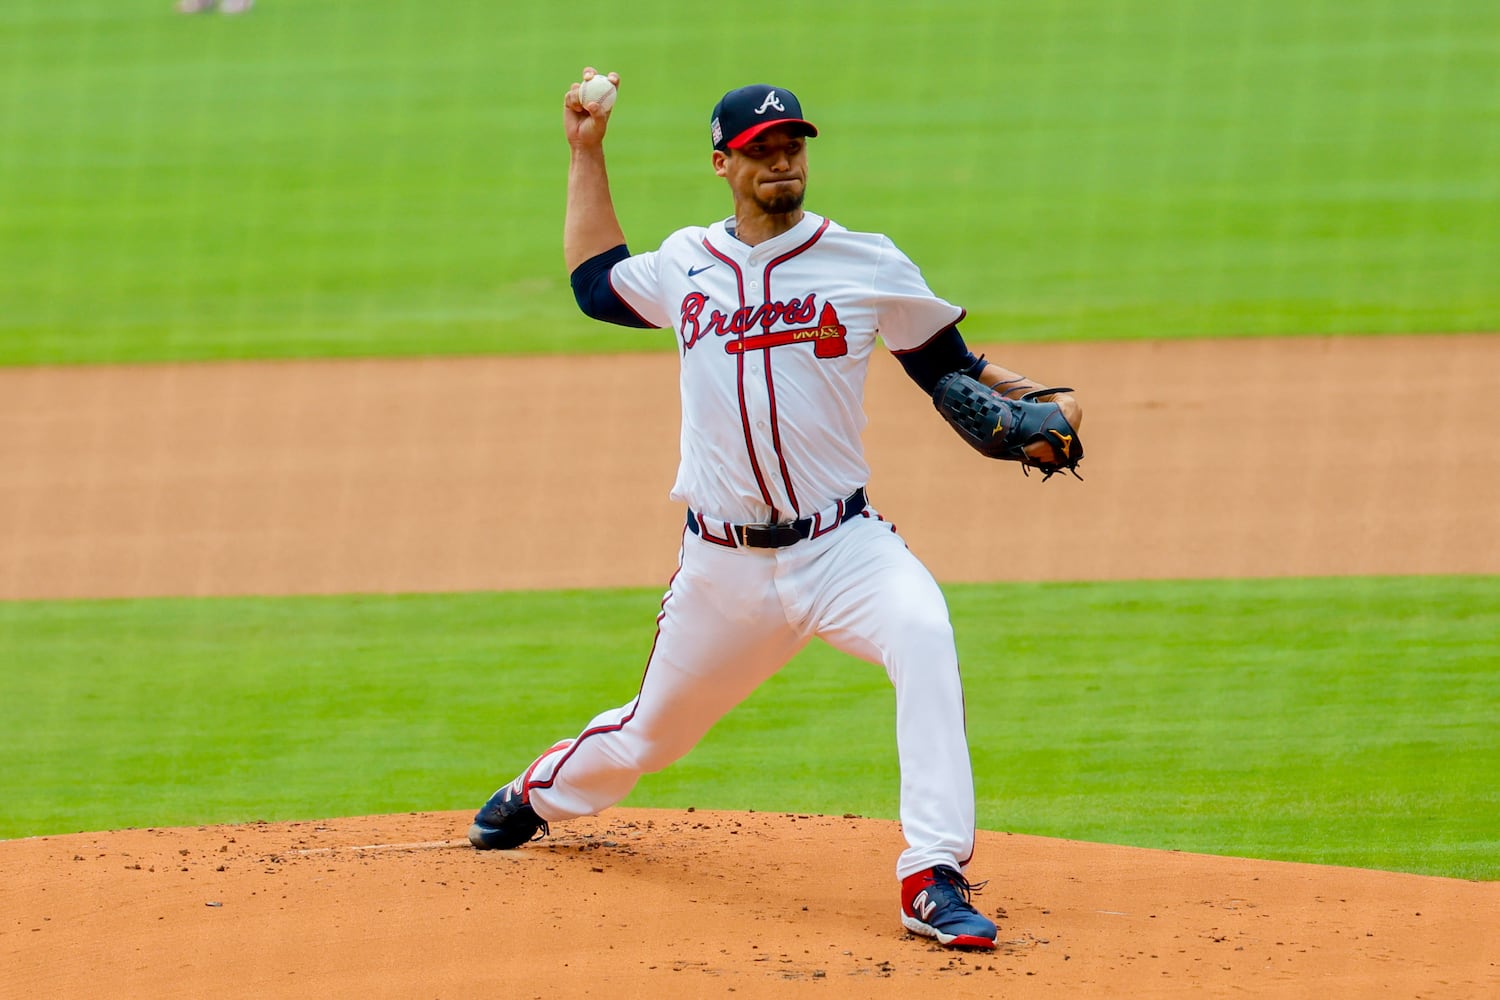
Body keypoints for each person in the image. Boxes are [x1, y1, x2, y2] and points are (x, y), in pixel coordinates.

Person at [467, 68, 1084, 951]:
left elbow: (947, 363)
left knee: (924, 630)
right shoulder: (686, 263)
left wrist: (1041, 408)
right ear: (724, 163)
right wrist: (585, 150)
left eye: (792, 144)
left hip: (844, 548)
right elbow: (596, 286)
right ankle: (542, 789)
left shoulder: (866, 260)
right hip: (724, 568)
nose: (781, 160)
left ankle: (931, 875)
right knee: (651, 736)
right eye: (761, 149)